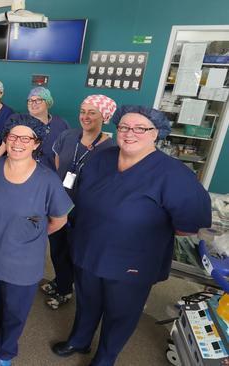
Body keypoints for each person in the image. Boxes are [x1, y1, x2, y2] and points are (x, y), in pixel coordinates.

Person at [51, 105, 212, 366]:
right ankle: (79, 339)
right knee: (87, 301)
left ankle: (105, 357)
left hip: (132, 262)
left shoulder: (174, 175)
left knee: (121, 312)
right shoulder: (101, 158)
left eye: (140, 128)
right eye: (124, 127)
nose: (129, 133)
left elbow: (189, 225)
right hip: (88, 249)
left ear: (156, 133)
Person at [0, 115, 72, 366]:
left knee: (15, 310)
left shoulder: (47, 180)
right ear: (6, 138)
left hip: (23, 261)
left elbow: (60, 220)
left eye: (26, 138)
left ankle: (6, 351)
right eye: (13, 136)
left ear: (36, 143)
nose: (18, 143)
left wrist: (32, 237)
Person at [41, 95, 117, 310]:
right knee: (56, 248)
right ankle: (60, 281)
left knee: (74, 252)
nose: (85, 116)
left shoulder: (110, 150)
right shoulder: (67, 136)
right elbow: (58, 164)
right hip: (59, 204)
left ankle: (65, 290)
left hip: (85, 211)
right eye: (83, 111)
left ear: (105, 116)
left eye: (92, 112)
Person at [25, 87, 69, 170]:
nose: (33, 104)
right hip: (24, 173)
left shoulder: (61, 124)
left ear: (48, 103)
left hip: (51, 174)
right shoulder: (20, 123)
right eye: (30, 100)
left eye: (38, 100)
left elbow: (66, 152)